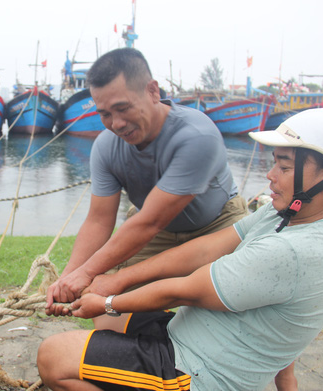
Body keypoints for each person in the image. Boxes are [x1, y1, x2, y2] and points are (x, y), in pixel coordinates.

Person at [37, 107, 323, 391]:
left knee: (55, 355)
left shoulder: (294, 250)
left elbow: (183, 291)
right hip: (189, 337)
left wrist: (107, 300)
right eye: (275, 164)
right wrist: (117, 279)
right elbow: (205, 249)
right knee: (108, 322)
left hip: (200, 372)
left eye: (285, 168)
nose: (271, 176)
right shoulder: (284, 215)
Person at [45, 47, 247, 322]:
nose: (116, 123)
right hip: (157, 232)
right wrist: (69, 278)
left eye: (123, 108)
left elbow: (149, 221)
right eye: (104, 114)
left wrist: (87, 272)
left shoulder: (197, 136)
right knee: (106, 311)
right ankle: (140, 357)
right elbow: (98, 221)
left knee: (247, 304)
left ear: (153, 91)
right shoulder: (105, 148)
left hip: (216, 223)